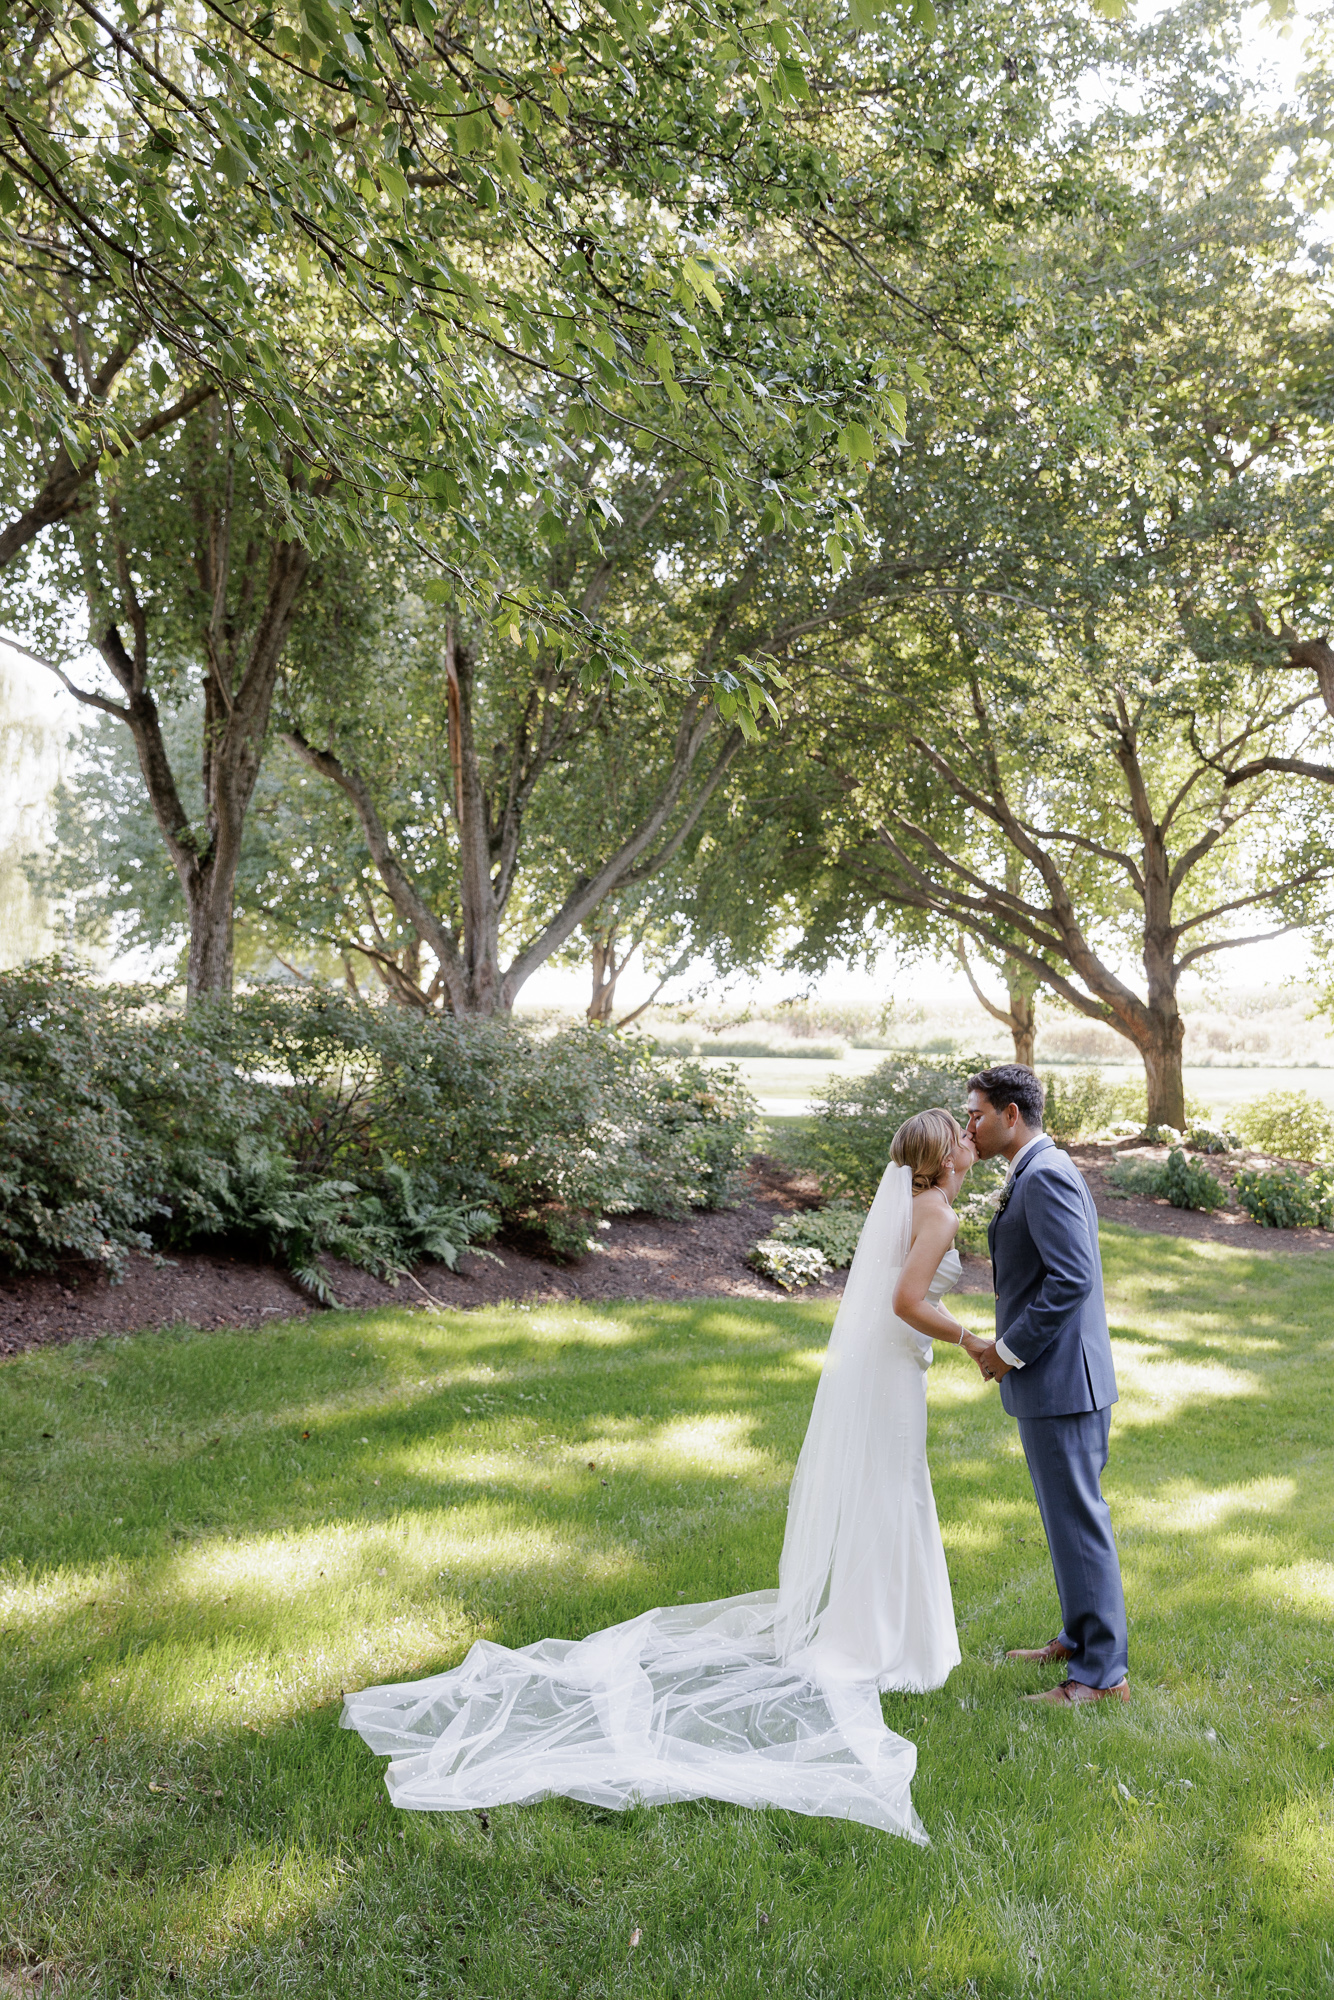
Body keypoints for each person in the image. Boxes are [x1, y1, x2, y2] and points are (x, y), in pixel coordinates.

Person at [341, 1109, 982, 1839]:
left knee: (890, 1496)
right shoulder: (937, 1216)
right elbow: (906, 1301)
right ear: (941, 1154)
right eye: (960, 1132)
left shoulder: (919, 1207)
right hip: (898, 1374)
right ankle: (879, 1643)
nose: (971, 1137)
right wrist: (972, 1340)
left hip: (892, 1371)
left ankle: (879, 1632)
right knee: (893, 1496)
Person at [964, 1063, 1130, 1706]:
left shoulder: (1048, 1174)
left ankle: (1100, 1676)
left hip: (1062, 1381)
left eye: (976, 1114)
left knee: (1079, 1521)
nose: (969, 1127)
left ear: (1011, 1114)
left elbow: (1072, 1280)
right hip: (1054, 1383)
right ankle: (1079, 1637)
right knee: (1065, 1521)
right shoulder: (1033, 1170)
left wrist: (1006, 1351)